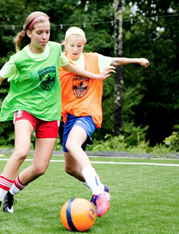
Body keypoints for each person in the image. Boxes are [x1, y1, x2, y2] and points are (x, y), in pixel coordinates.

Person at [0, 11, 115, 220]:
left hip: (50, 114)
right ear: (29, 33)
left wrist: (95, 76)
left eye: (48, 32)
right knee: (22, 151)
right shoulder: (19, 58)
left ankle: (11, 194)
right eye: (40, 32)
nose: (45, 37)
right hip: (25, 109)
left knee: (40, 167)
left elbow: (68, 66)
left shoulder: (53, 50)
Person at [58, 26, 149, 218]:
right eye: (72, 45)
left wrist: (137, 60)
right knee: (70, 168)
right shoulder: (59, 62)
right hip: (68, 117)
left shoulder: (93, 59)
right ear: (64, 44)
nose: (76, 49)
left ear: (85, 44)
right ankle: (101, 187)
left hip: (88, 114)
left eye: (79, 45)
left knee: (72, 144)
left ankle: (98, 192)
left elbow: (115, 60)